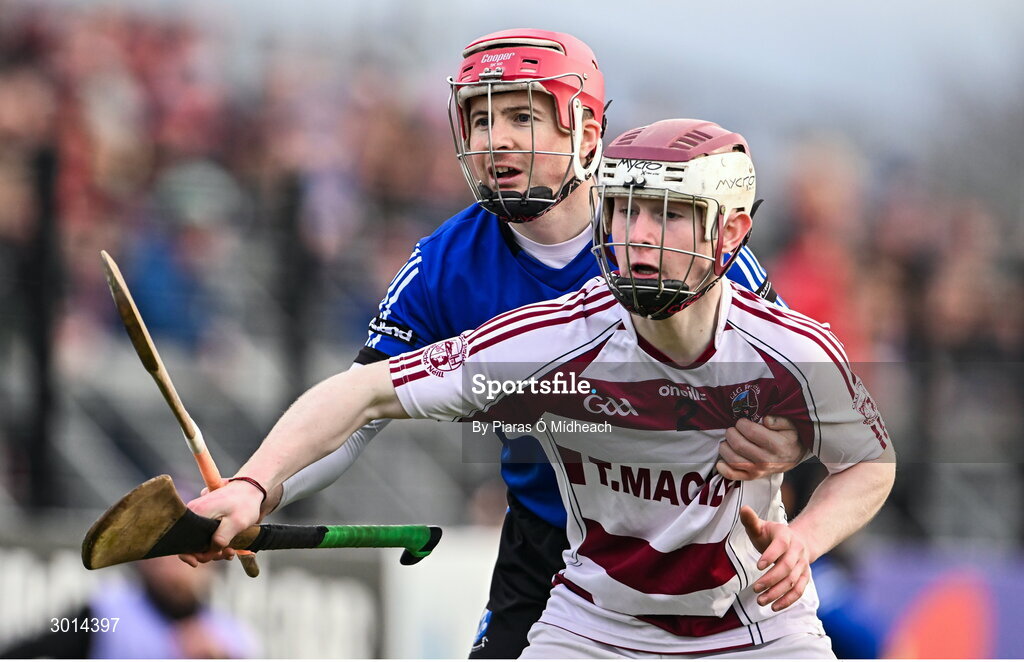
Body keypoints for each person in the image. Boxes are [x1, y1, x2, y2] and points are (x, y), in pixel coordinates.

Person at [183, 117, 895, 657]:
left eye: (670, 214)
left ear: (731, 231)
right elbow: (362, 392)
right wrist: (253, 485)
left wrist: (804, 538)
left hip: (757, 632)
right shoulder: (551, 342)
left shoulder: (793, 349)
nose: (640, 236)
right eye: (625, 209)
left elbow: (868, 461)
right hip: (594, 627)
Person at [1, 556, 258, 659]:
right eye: (166, 552)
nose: (174, 565)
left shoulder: (231, 638)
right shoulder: (106, 614)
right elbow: (35, 649)